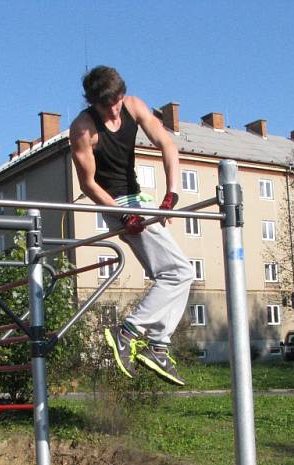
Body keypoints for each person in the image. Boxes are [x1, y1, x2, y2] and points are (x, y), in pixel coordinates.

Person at [70, 66, 193, 386]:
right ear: (93, 102)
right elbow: (89, 185)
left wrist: (172, 193)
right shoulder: (83, 129)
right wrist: (125, 218)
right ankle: (129, 332)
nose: (113, 110)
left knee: (177, 275)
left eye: (117, 102)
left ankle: (158, 345)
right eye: (105, 105)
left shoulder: (134, 106)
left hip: (138, 198)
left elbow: (167, 145)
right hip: (114, 204)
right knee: (179, 272)